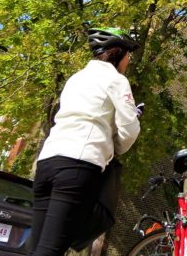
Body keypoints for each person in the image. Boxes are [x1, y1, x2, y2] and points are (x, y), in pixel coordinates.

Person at [29, 27, 142, 256]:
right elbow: (129, 129)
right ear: (118, 54)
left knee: (37, 246)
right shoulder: (116, 80)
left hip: (47, 163)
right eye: (129, 55)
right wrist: (115, 149)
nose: (129, 61)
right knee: (50, 250)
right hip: (78, 164)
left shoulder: (76, 78)